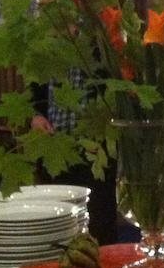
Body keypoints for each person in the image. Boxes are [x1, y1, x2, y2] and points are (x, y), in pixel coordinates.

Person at [31, 69, 118, 245]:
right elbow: (34, 93)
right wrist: (36, 116)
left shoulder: (100, 51)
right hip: (54, 147)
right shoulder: (42, 54)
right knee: (55, 226)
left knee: (99, 225)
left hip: (94, 151)